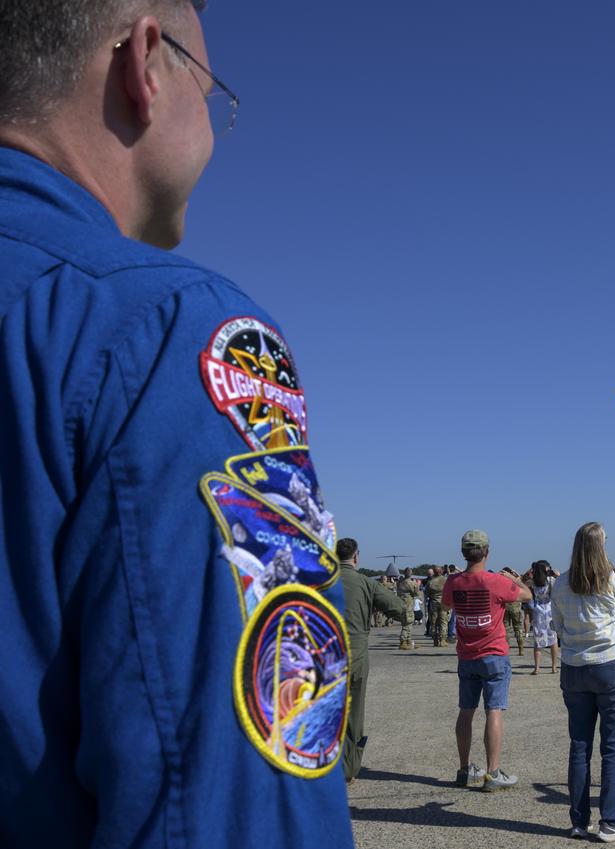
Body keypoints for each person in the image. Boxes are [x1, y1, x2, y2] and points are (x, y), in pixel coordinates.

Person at [0, 3, 356, 846]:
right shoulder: (164, 330)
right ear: (145, 62)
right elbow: (233, 814)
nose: (215, 117)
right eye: (212, 85)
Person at [551, 522, 615, 842]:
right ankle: (611, 821)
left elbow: (557, 627)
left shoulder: (560, 584)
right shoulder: (612, 582)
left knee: (580, 745)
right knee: (612, 746)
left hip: (574, 667)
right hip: (610, 665)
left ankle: (579, 820)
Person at [443, 530, 531, 791]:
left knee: (466, 711)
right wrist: (515, 579)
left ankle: (464, 768)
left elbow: (447, 606)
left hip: (466, 655)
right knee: (494, 710)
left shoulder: (453, 582)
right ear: (486, 552)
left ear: (463, 553)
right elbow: (527, 595)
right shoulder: (495, 582)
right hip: (493, 654)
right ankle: (493, 772)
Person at [338, 538, 406, 784]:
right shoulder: (365, 583)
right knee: (354, 712)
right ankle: (348, 769)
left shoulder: (318, 583)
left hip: (321, 656)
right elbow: (398, 608)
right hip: (355, 654)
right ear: (356, 557)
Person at [526, 560, 560, 674]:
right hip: (550, 611)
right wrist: (557, 575)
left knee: (538, 641)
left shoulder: (532, 582)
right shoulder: (551, 580)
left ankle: (537, 668)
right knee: (553, 640)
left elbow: (520, 583)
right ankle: (554, 667)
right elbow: (558, 591)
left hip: (538, 612)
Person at [500, 567, 527, 656]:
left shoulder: (501, 581)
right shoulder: (515, 581)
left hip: (505, 607)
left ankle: (506, 648)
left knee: (506, 629)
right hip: (516, 607)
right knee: (518, 628)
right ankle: (521, 649)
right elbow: (522, 578)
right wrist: (514, 572)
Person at [397, 570, 420, 650]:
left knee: (406, 622)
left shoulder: (399, 582)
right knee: (408, 623)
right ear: (411, 574)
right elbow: (416, 593)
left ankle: (408, 641)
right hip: (408, 605)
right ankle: (403, 641)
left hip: (401, 604)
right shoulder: (411, 583)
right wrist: (417, 585)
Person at [426, 567, 448, 646]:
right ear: (441, 571)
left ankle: (435, 640)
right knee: (443, 622)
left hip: (433, 603)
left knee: (433, 622)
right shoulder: (446, 580)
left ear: (434, 572)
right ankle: (442, 640)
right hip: (443, 603)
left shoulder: (430, 582)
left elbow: (427, 593)